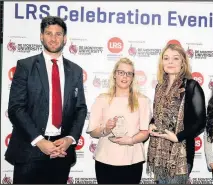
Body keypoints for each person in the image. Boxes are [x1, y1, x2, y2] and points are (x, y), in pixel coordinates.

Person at [6, 16, 87, 184]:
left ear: (65, 38)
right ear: (41, 36)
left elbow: (80, 108)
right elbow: (16, 108)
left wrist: (70, 139)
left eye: (58, 34)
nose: (53, 38)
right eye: (49, 33)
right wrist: (39, 141)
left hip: (61, 152)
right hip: (29, 150)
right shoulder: (25, 66)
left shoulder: (76, 70)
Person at [147, 44, 206, 184]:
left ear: (183, 62)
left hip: (180, 155)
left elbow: (201, 122)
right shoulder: (159, 87)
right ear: (162, 63)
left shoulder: (191, 86)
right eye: (166, 58)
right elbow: (157, 115)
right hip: (158, 156)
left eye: (175, 58)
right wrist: (151, 124)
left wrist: (177, 137)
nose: (170, 62)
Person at [86, 57, 152, 184]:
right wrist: (106, 129)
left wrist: (131, 140)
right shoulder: (102, 99)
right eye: (121, 72)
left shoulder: (143, 101)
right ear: (115, 74)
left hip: (132, 160)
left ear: (133, 77)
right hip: (104, 160)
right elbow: (93, 131)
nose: (125, 76)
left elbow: (145, 132)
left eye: (129, 73)